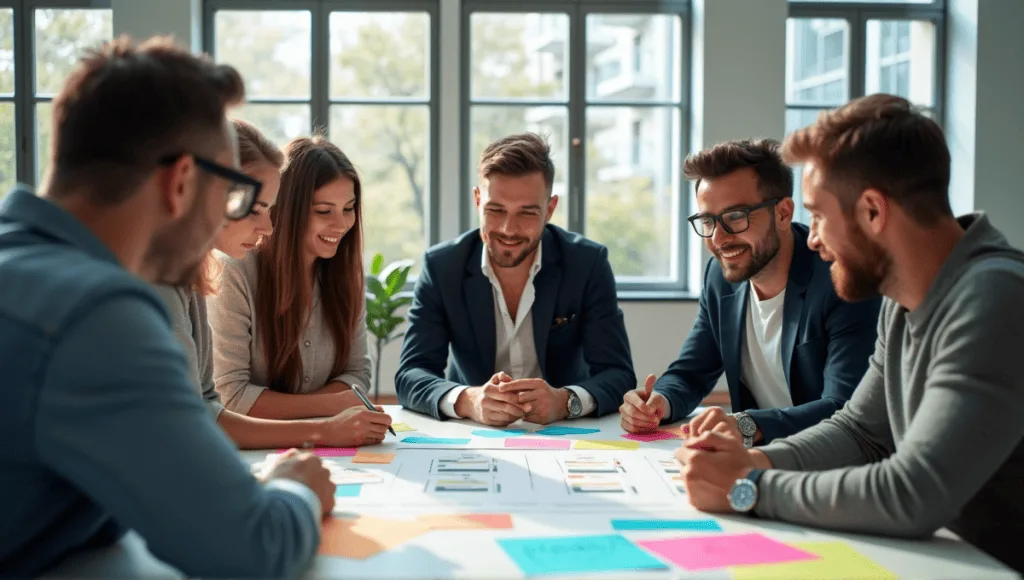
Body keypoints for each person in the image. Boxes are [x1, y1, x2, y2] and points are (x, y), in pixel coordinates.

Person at [0, 36, 331, 578]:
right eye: (234, 198)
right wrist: (297, 489)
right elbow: (254, 548)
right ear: (180, 182)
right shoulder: (95, 316)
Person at [676, 94, 1024, 574]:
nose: (812, 238)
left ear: (872, 212)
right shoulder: (903, 300)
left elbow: (914, 492)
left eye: (818, 215)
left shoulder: (995, 296)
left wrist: (748, 488)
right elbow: (860, 432)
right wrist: (757, 463)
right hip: (950, 558)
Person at [619, 139, 881, 446]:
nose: (719, 238)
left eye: (735, 217)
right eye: (708, 221)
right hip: (758, 459)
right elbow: (691, 372)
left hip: (827, 462)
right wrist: (657, 404)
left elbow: (845, 408)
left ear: (783, 213)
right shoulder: (720, 277)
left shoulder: (840, 281)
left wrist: (747, 424)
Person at [154, 119, 387, 449]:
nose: (268, 226)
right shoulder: (190, 276)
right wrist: (326, 422)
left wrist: (323, 425)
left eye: (349, 209)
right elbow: (214, 405)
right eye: (258, 208)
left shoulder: (191, 278)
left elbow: (206, 406)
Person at [395, 132, 635, 426]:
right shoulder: (443, 266)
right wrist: (467, 400)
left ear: (549, 209)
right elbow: (410, 374)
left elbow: (618, 373)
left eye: (527, 213)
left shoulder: (586, 263)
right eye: (495, 210)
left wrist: (565, 401)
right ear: (477, 200)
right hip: (472, 432)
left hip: (566, 431)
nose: (509, 229)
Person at [209, 134, 391, 441]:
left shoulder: (346, 274)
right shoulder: (234, 270)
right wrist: (332, 408)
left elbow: (357, 373)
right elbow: (231, 397)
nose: (341, 224)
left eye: (349, 208)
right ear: (287, 209)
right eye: (324, 211)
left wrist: (331, 413)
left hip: (326, 445)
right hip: (255, 451)